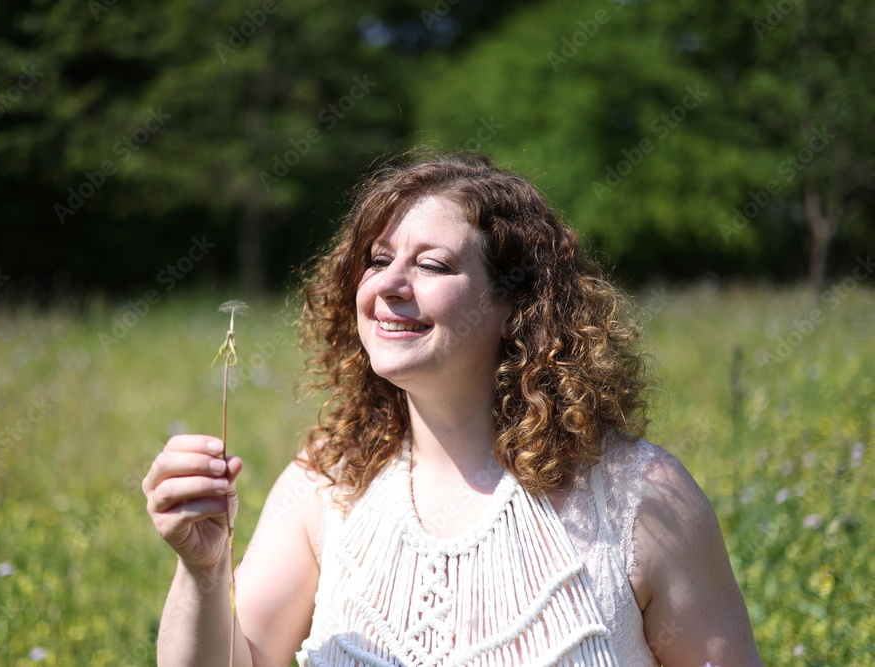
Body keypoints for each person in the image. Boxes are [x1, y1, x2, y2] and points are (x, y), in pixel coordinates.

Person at [142, 152, 763, 666]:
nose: (388, 285)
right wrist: (203, 570)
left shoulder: (639, 498)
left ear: (515, 304)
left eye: (432, 264)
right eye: (379, 260)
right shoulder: (325, 482)